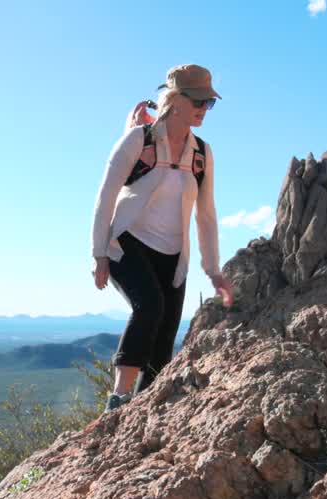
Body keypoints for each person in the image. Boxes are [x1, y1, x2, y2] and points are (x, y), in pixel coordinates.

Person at [90, 64, 234, 413]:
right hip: (127, 244)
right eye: (199, 101)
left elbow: (207, 215)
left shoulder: (202, 152)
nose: (203, 109)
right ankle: (118, 400)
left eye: (209, 103)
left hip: (173, 257)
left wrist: (213, 270)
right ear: (174, 100)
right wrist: (99, 254)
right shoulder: (138, 140)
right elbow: (106, 195)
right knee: (149, 306)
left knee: (165, 336)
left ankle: (141, 410)